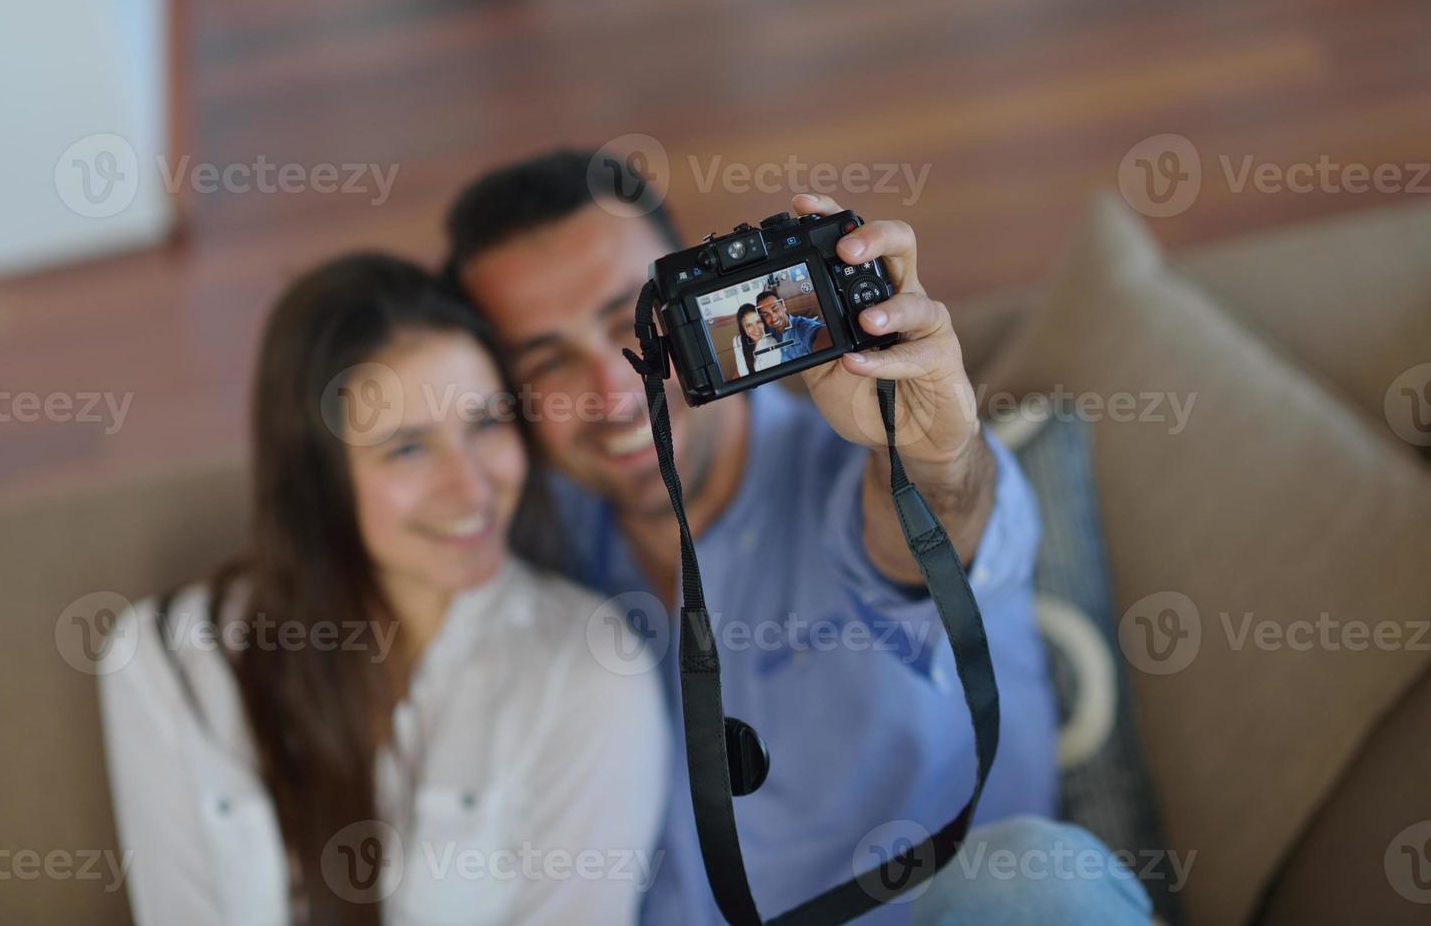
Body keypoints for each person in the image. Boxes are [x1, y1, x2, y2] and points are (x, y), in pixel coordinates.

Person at [442, 149, 1152, 924]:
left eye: (633, 325)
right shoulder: (527, 539)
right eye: (547, 363)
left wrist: (929, 453)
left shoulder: (859, 471)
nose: (614, 394)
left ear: (699, 299)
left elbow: (935, 526)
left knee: (1035, 879)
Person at [98, 254, 668, 926]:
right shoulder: (164, 659)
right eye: (407, 449)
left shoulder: (592, 673)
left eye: (485, 425)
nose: (472, 489)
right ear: (317, 478)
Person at [755, 289, 826, 362]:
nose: (773, 318)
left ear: (783, 306)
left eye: (775, 309)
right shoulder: (767, 334)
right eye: (766, 314)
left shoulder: (803, 326)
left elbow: (820, 335)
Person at [731, 301, 781, 377]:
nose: (756, 329)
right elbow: (740, 369)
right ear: (743, 328)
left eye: (758, 321)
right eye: (748, 325)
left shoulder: (772, 344)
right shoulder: (737, 340)